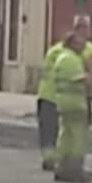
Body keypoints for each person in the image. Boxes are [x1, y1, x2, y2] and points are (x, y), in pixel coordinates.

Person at [50, 25, 92, 183]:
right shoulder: (71, 59)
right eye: (80, 44)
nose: (83, 46)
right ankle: (75, 169)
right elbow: (82, 79)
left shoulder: (61, 58)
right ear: (73, 44)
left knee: (65, 134)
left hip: (62, 102)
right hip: (75, 103)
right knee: (78, 136)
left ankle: (61, 166)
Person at [36, 35, 68, 172]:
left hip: (45, 95)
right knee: (60, 130)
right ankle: (57, 159)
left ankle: (48, 158)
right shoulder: (69, 56)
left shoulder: (53, 51)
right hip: (59, 96)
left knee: (48, 130)